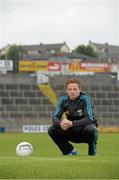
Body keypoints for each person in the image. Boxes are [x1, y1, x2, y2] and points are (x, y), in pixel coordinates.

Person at [48, 78, 98, 156]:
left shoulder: (86, 99)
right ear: (67, 91)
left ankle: (92, 151)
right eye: (70, 89)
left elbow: (89, 118)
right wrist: (61, 123)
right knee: (52, 129)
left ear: (79, 89)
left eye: (75, 89)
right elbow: (55, 117)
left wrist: (72, 123)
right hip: (71, 131)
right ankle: (69, 151)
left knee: (92, 129)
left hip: (84, 132)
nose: (72, 91)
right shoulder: (63, 100)